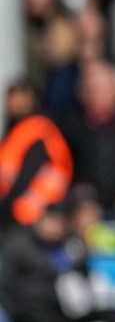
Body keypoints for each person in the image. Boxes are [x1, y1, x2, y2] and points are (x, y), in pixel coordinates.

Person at [0, 79, 72, 233]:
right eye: (12, 98)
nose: (16, 103)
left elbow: (27, 176)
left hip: (36, 214)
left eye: (21, 97)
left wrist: (5, 208)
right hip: (19, 212)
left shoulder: (38, 130)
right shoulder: (15, 132)